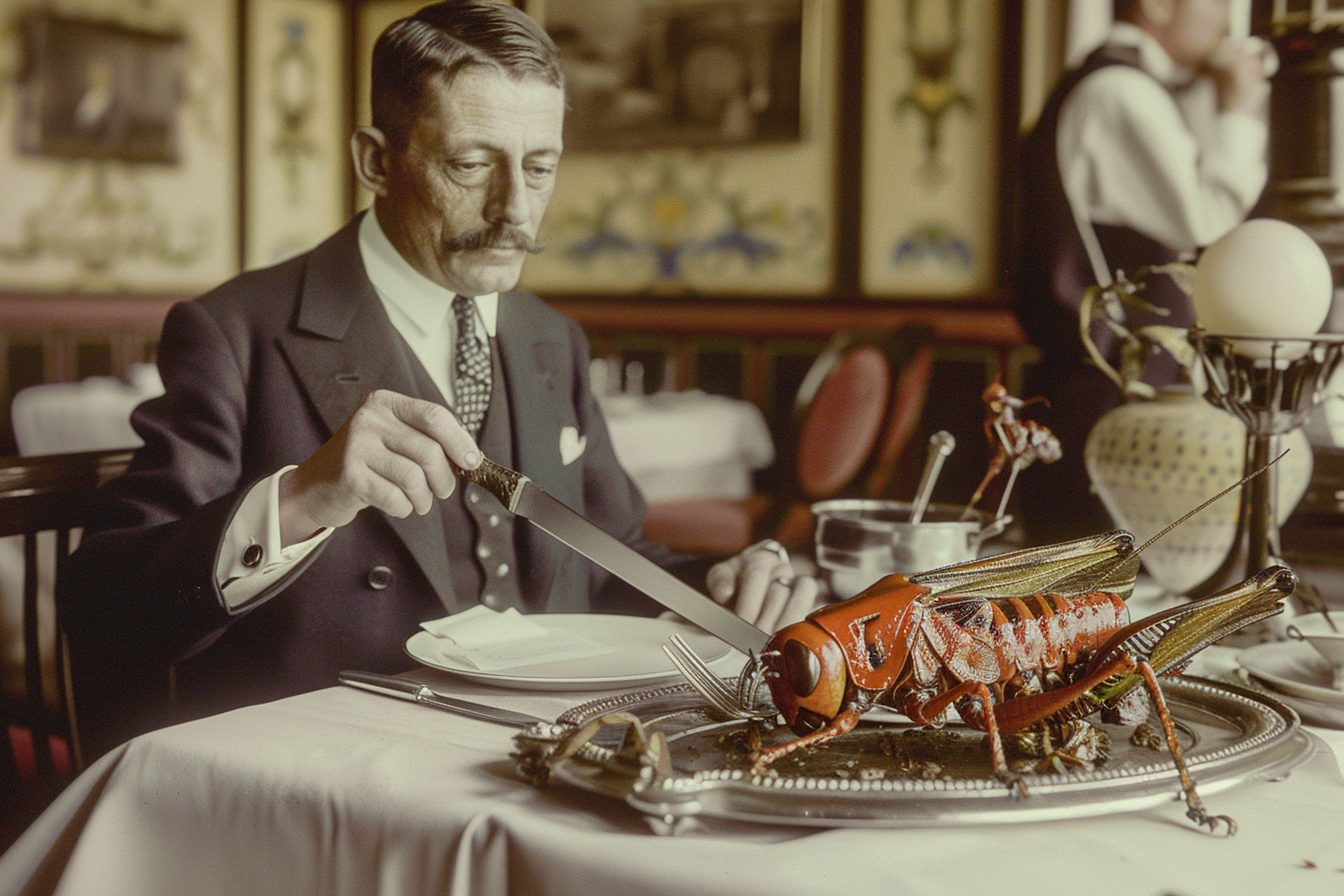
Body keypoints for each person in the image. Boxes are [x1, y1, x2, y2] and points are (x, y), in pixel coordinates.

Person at [59, 0, 816, 757]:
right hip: (329, 778)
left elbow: (608, 557)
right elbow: (103, 608)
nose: (515, 208)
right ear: (375, 161)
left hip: (544, 764)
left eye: (540, 167)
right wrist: (299, 500)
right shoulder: (234, 332)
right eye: (470, 164)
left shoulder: (553, 338)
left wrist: (720, 584)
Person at [1013, 0, 1269, 544]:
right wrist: (1240, 108)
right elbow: (1206, 219)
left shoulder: (1127, 85)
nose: (1229, 16)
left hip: (1114, 405)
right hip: (1108, 411)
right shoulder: (1120, 92)